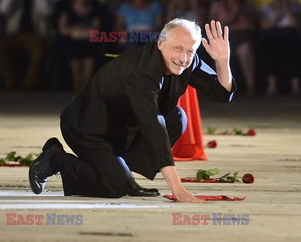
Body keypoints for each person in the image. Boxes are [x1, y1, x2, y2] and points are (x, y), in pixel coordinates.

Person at [29, 18, 236, 202]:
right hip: (88, 126)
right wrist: (178, 190)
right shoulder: (141, 71)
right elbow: (153, 126)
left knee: (177, 118)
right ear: (161, 43)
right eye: (178, 49)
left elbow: (221, 93)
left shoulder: (187, 61)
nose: (183, 58)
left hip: (124, 126)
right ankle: (56, 157)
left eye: (190, 51)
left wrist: (222, 62)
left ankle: (123, 174)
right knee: (115, 186)